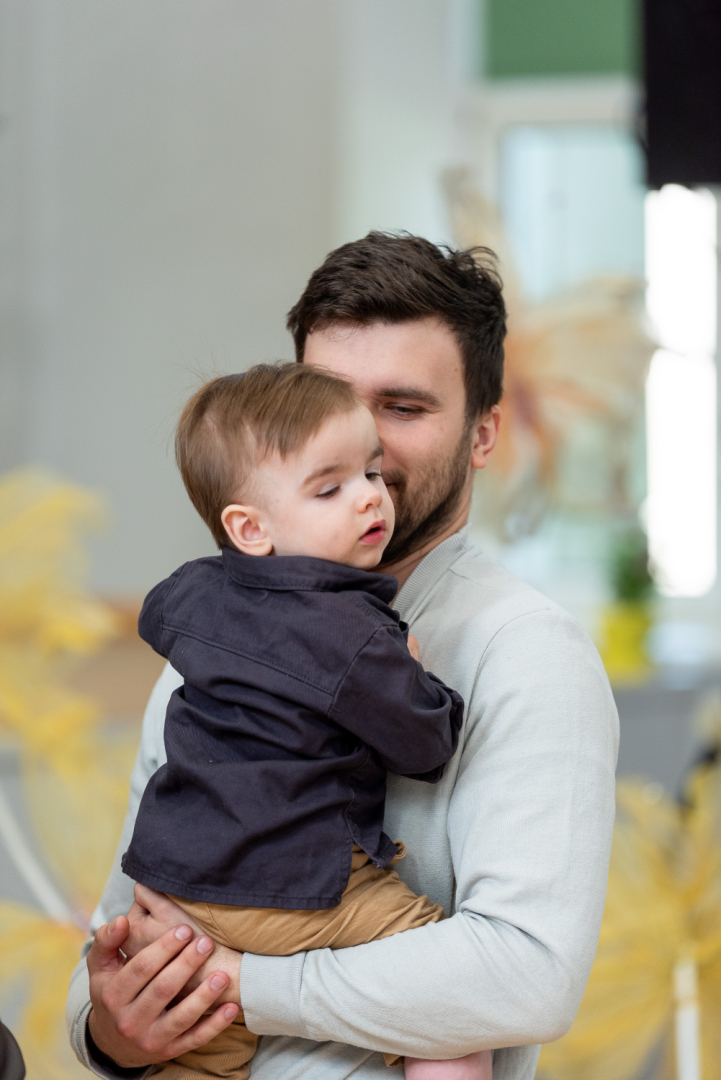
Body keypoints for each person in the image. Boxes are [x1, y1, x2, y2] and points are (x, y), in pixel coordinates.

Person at [67, 233, 619, 1080]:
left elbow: (524, 975)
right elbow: (117, 937)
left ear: (483, 434)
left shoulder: (527, 653)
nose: (359, 440)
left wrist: (243, 986)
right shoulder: (211, 642)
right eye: (328, 400)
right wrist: (113, 1028)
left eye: (402, 407)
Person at [120, 361, 489, 1080]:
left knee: (197, 1050)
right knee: (450, 1002)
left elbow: (154, 616)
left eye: (371, 473)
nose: (370, 497)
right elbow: (426, 745)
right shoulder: (353, 635)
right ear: (249, 527)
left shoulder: (192, 590)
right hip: (296, 889)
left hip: (176, 893)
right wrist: (416, 676)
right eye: (330, 488)